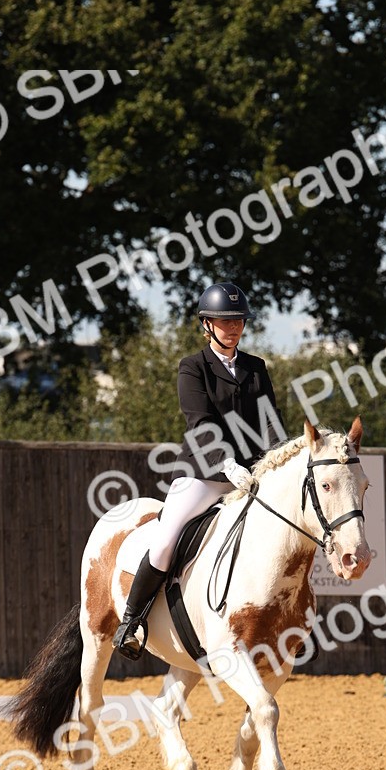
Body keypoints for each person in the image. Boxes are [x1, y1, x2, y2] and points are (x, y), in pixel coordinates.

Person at [112, 281, 285, 659]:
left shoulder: (256, 368)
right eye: (225, 321)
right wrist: (227, 465)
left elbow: (270, 423)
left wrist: (278, 460)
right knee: (166, 541)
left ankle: (292, 619)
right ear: (207, 324)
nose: (234, 326)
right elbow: (200, 422)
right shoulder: (193, 367)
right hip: (204, 473)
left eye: (239, 320)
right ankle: (132, 620)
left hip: (252, 475)